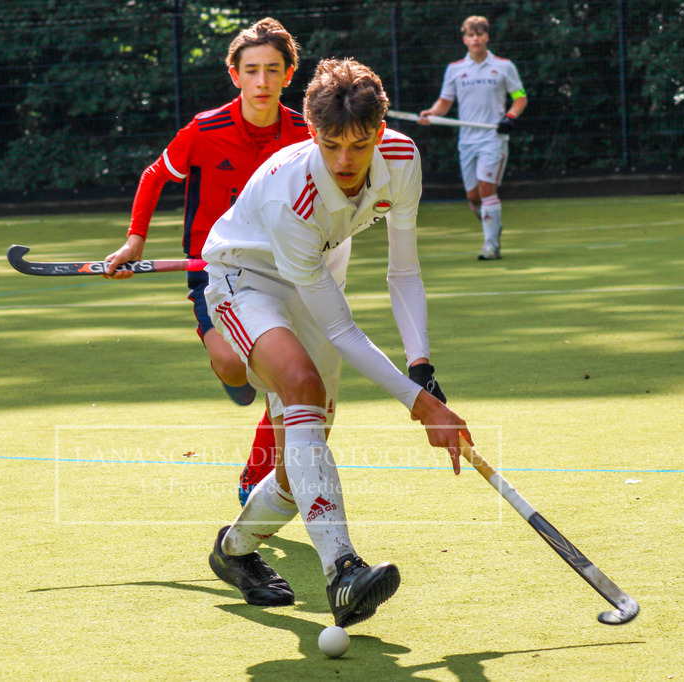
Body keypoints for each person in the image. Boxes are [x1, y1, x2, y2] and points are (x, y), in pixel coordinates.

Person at [202, 58, 471, 628]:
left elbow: (404, 272)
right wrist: (421, 407)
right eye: (330, 146)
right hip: (247, 280)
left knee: (300, 467)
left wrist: (421, 368)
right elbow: (343, 329)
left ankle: (234, 550)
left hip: (316, 278)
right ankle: (342, 571)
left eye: (359, 145)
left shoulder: (402, 159)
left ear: (380, 131)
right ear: (310, 131)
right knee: (302, 387)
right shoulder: (290, 196)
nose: (345, 161)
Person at [103, 18, 311, 504]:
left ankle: (255, 477)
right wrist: (135, 240)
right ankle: (237, 379)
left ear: (288, 74)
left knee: (287, 378)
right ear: (234, 75)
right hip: (214, 272)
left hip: (284, 273)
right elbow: (155, 175)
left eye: (273, 70)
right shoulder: (204, 129)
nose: (262, 81)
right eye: (252, 70)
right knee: (233, 365)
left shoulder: (307, 133)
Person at [419, 15, 527, 261]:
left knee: (486, 189)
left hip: (493, 138)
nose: (476, 38)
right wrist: (432, 113)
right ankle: (493, 224)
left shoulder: (504, 66)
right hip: (467, 141)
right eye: (471, 35)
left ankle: (491, 246)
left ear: (487, 37)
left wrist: (510, 117)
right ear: (465, 39)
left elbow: (520, 97)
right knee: (473, 197)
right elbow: (445, 102)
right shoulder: (455, 69)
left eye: (480, 34)